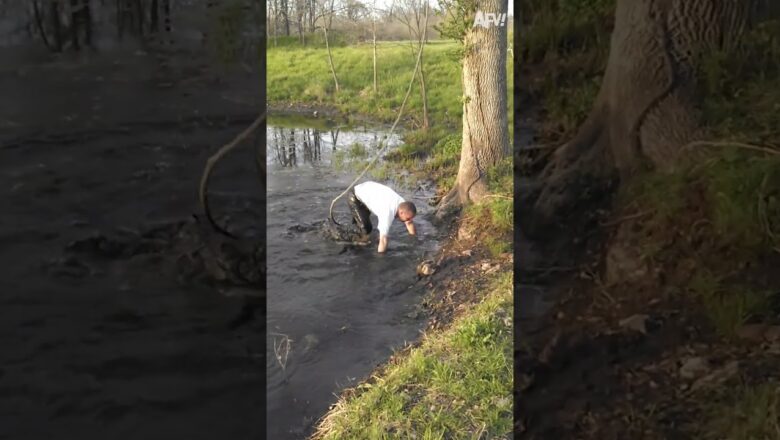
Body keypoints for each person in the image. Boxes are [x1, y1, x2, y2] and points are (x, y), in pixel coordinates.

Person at [348, 181, 417, 253]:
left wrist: (414, 241)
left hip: (369, 191)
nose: (409, 220)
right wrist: (380, 259)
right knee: (365, 229)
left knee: (366, 229)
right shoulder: (387, 213)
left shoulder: (404, 205)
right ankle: (344, 237)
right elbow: (383, 240)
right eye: (408, 218)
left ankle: (357, 229)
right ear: (401, 212)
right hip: (356, 195)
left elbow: (409, 223)